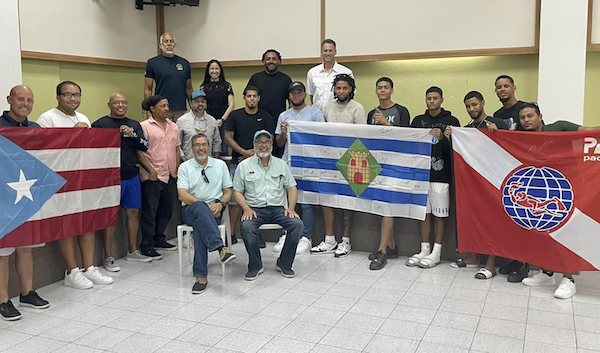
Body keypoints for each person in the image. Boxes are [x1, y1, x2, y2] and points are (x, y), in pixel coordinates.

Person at [487, 102, 599, 299]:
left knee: (566, 233)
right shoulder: (521, 138)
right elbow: (501, 147)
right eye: (522, 118)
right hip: (537, 191)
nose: (526, 120)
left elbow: (588, 132)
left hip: (566, 188)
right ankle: (546, 273)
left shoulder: (559, 127)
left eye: (530, 116)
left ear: (540, 116)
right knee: (541, 232)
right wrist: (495, 133)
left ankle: (568, 279)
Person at [37, 81, 114, 289]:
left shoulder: (84, 118)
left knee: (86, 222)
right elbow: (45, 151)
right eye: (68, 95)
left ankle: (89, 267)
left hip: (83, 178)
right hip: (61, 179)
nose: (73, 99)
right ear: (58, 97)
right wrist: (73, 133)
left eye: (77, 95)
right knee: (68, 224)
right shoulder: (47, 118)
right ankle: (72, 271)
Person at [444, 91, 507, 279]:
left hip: (493, 181)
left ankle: (490, 263)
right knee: (475, 220)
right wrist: (451, 139)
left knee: (491, 222)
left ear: (482, 103)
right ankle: (473, 258)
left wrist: (499, 134)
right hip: (473, 183)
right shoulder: (467, 129)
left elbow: (509, 146)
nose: (472, 109)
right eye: (468, 106)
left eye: (474, 105)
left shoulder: (497, 123)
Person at [0, 86, 49, 321]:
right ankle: (2, 300)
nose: (25, 104)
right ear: (9, 100)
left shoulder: (36, 130)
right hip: (3, 199)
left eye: (30, 100)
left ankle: (27, 292)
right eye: (21, 99)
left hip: (28, 197)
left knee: (25, 246)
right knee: (3, 251)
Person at [92, 93, 153, 271]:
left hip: (131, 175)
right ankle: (108, 256)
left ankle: (132, 251)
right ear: (109, 104)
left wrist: (132, 135)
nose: (120, 105)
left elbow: (144, 146)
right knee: (110, 217)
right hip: (109, 178)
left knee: (133, 213)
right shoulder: (100, 124)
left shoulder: (134, 124)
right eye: (116, 102)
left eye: (123, 102)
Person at [234, 130, 304, 280]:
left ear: (271, 145)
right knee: (246, 227)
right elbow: (237, 192)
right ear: (254, 145)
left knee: (297, 225)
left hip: (278, 209)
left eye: (267, 142)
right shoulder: (244, 166)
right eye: (259, 142)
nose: (263, 146)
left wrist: (291, 208)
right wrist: (246, 208)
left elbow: (291, 188)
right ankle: (255, 265)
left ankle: (284, 263)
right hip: (254, 210)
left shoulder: (281, 164)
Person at [310, 74, 366, 258]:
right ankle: (329, 239)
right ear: (334, 89)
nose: (341, 91)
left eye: (345, 88)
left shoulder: (357, 108)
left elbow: (362, 136)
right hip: (330, 159)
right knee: (328, 199)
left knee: (347, 200)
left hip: (352, 160)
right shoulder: (328, 107)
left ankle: (346, 240)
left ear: (351, 89)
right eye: (338, 88)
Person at [406, 86, 460, 269]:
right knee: (424, 214)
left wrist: (444, 138)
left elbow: (456, 149)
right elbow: (411, 145)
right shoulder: (418, 120)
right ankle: (424, 248)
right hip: (421, 175)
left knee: (439, 215)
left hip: (441, 176)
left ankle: (437, 252)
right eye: (428, 98)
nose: (431, 101)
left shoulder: (451, 121)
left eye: (435, 98)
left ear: (441, 100)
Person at [177, 134, 237, 293]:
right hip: (190, 209)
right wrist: (202, 204)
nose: (201, 148)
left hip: (215, 210)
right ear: (192, 148)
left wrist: (221, 204)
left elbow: (228, 192)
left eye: (204, 144)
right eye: (197, 145)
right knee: (199, 208)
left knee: (199, 225)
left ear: (209, 147)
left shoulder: (220, 165)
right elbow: (182, 195)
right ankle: (220, 248)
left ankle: (201, 276)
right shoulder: (185, 167)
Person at [274, 81, 325, 254]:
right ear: (289, 95)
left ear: (304, 94)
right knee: (287, 200)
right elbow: (279, 143)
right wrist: (282, 132)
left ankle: (306, 237)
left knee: (307, 202)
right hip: (289, 161)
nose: (296, 96)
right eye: (293, 93)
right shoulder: (284, 115)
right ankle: (286, 233)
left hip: (309, 163)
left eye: (299, 93)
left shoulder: (315, 113)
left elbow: (321, 139)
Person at [366, 77, 411, 270]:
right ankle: (391, 246)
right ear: (376, 91)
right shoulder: (370, 113)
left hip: (396, 165)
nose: (382, 90)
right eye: (379, 87)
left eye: (386, 87)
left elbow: (407, 137)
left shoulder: (401, 111)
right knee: (382, 207)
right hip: (376, 165)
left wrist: (386, 124)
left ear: (391, 90)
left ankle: (382, 250)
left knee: (388, 207)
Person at [225, 86, 275, 248]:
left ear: (258, 98)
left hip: (261, 164)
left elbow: (269, 140)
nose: (252, 99)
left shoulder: (266, 116)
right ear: (244, 98)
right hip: (237, 163)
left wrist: (252, 156)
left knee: (256, 198)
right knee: (234, 200)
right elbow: (228, 137)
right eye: (249, 96)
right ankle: (230, 234)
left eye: (254, 96)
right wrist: (243, 152)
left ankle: (255, 233)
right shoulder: (235, 115)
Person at [139, 95, 182, 259]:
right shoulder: (144, 127)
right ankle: (146, 245)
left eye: (167, 105)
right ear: (152, 109)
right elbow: (139, 152)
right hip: (152, 176)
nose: (166, 109)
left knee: (166, 210)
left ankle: (159, 238)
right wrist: (150, 170)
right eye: (162, 106)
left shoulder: (173, 127)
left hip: (170, 174)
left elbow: (177, 149)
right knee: (150, 212)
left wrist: (177, 169)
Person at [248, 49, 292, 157]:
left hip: (279, 123)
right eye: (268, 59)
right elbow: (249, 98)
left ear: (279, 62)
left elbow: (291, 102)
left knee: (277, 154)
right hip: (259, 121)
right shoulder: (256, 78)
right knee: (260, 152)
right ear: (263, 61)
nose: (271, 61)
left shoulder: (286, 79)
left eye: (274, 59)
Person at [144, 32, 192, 121]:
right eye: (166, 41)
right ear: (160, 45)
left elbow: (189, 88)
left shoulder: (184, 63)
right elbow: (148, 88)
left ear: (175, 44)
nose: (169, 43)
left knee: (179, 134)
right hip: (161, 108)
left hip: (180, 108)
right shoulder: (152, 63)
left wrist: (192, 107)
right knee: (163, 134)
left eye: (171, 41)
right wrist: (148, 110)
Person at [307, 39, 354, 113]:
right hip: (318, 116)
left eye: (330, 50)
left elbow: (350, 96)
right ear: (321, 52)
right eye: (325, 51)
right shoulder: (312, 72)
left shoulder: (346, 72)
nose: (328, 53)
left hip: (338, 115)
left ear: (335, 52)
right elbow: (312, 96)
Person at [201, 59, 235, 156]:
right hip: (208, 121)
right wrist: (212, 121)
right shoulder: (203, 87)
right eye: (212, 68)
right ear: (208, 71)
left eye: (216, 68)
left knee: (224, 147)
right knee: (209, 145)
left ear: (220, 71)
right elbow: (202, 105)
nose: (214, 71)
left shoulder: (226, 85)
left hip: (225, 121)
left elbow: (231, 105)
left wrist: (222, 120)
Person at [177, 90, 221, 161]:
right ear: (190, 103)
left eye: (203, 101)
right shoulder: (182, 121)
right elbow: (177, 144)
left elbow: (217, 142)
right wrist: (184, 160)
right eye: (197, 101)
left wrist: (215, 160)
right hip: (188, 163)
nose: (200, 103)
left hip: (208, 164)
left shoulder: (212, 120)